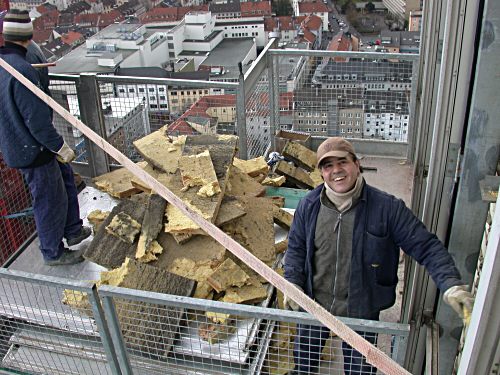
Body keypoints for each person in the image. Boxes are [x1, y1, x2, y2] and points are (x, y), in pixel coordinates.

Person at [283, 137, 474, 374]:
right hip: (314, 304)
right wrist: (292, 281)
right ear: (321, 173)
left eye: (342, 162)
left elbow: (426, 246)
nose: (336, 171)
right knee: (304, 365)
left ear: (356, 163)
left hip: (362, 309)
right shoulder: (309, 206)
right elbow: (296, 249)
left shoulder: (387, 208)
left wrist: (450, 284)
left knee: (360, 370)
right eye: (328, 166)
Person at [0, 10, 91, 266]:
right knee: (49, 199)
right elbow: (36, 121)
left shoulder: (6, 62)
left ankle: (73, 231)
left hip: (23, 143)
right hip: (33, 148)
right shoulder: (22, 70)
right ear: (28, 37)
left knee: (65, 182)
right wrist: (58, 146)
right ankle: (53, 252)